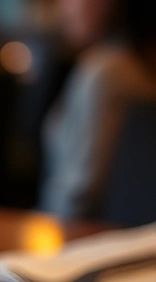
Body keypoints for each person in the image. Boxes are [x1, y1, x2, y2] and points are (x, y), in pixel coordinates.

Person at [40, 0, 156, 219]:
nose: (63, 7)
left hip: (80, 238)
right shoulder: (140, 67)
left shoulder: (104, 73)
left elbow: (80, 192)